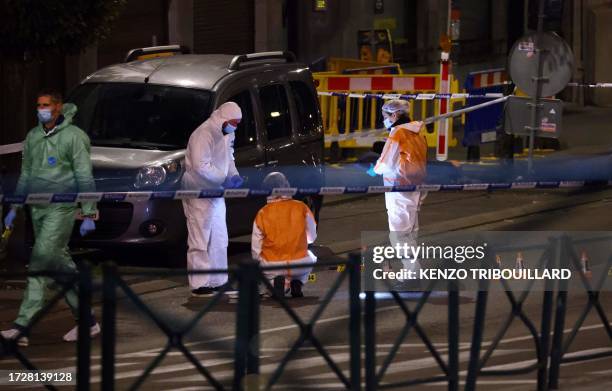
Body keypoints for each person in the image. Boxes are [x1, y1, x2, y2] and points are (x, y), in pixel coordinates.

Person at [1, 90, 99, 347]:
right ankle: (87, 321)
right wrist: (15, 207)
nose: (41, 109)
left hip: (61, 209)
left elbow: (84, 175)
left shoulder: (74, 138)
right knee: (60, 267)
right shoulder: (33, 137)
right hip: (37, 209)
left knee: (40, 262)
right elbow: (26, 175)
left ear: (58, 109)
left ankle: (22, 326)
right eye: (38, 105)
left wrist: (88, 211)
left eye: (46, 105)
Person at [182, 102, 244, 297]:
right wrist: (223, 179)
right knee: (200, 236)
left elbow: (229, 157)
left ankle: (218, 280)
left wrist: (233, 175)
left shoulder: (227, 133)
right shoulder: (204, 134)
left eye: (237, 123)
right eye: (233, 123)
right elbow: (201, 166)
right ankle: (200, 284)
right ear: (223, 119)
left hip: (216, 190)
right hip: (198, 190)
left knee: (219, 236)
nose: (235, 126)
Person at [366, 99, 427, 279]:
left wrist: (373, 170)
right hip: (417, 186)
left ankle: (412, 273)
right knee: (409, 233)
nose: (384, 120)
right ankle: (412, 271)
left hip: (399, 187)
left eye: (385, 116)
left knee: (399, 235)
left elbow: (385, 162)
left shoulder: (398, 133)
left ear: (394, 115)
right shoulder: (417, 132)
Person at [251, 172, 317, 298]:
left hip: (273, 265)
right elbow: (312, 237)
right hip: (300, 263)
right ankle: (298, 282)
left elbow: (256, 248)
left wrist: (259, 265)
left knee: (269, 277)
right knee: (312, 256)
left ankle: (280, 285)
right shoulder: (301, 207)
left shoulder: (262, 213)